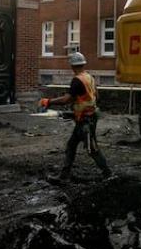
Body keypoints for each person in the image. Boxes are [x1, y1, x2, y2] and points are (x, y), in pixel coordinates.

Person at [40, 52, 112, 181]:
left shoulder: (77, 80)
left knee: (92, 149)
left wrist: (49, 101)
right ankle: (64, 176)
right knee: (71, 145)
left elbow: (66, 99)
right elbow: (96, 96)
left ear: (72, 66)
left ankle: (108, 175)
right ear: (83, 64)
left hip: (86, 121)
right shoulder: (89, 77)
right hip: (87, 118)